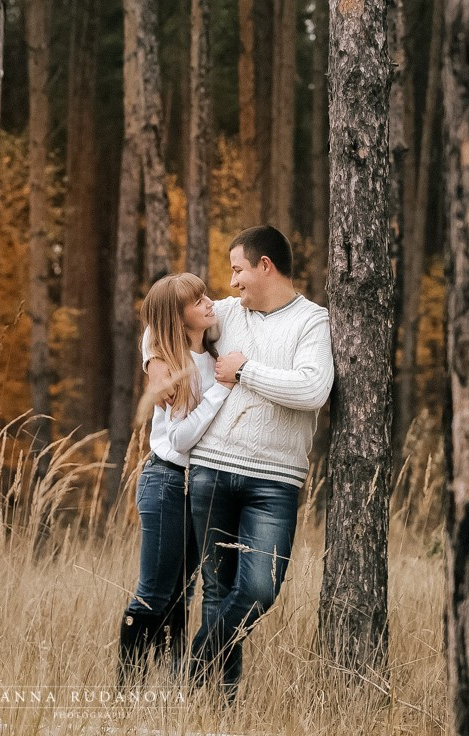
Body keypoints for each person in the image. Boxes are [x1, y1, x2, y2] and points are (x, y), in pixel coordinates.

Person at [146, 226, 333, 701]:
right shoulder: (226, 314)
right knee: (216, 589)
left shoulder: (312, 322)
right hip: (209, 471)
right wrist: (155, 367)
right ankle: (218, 708)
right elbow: (161, 321)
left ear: (264, 266)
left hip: (274, 481)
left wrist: (244, 371)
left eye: (237, 270)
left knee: (258, 590)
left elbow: (313, 390)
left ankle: (193, 670)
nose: (231, 284)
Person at [118, 272, 235, 686]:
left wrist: (151, 353)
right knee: (154, 592)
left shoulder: (209, 338)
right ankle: (127, 691)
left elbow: (158, 321)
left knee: (181, 596)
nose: (209, 303)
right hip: (167, 481)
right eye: (197, 301)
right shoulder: (178, 368)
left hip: (199, 487)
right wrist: (221, 389)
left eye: (206, 294)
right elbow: (182, 438)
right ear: (178, 319)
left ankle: (168, 692)